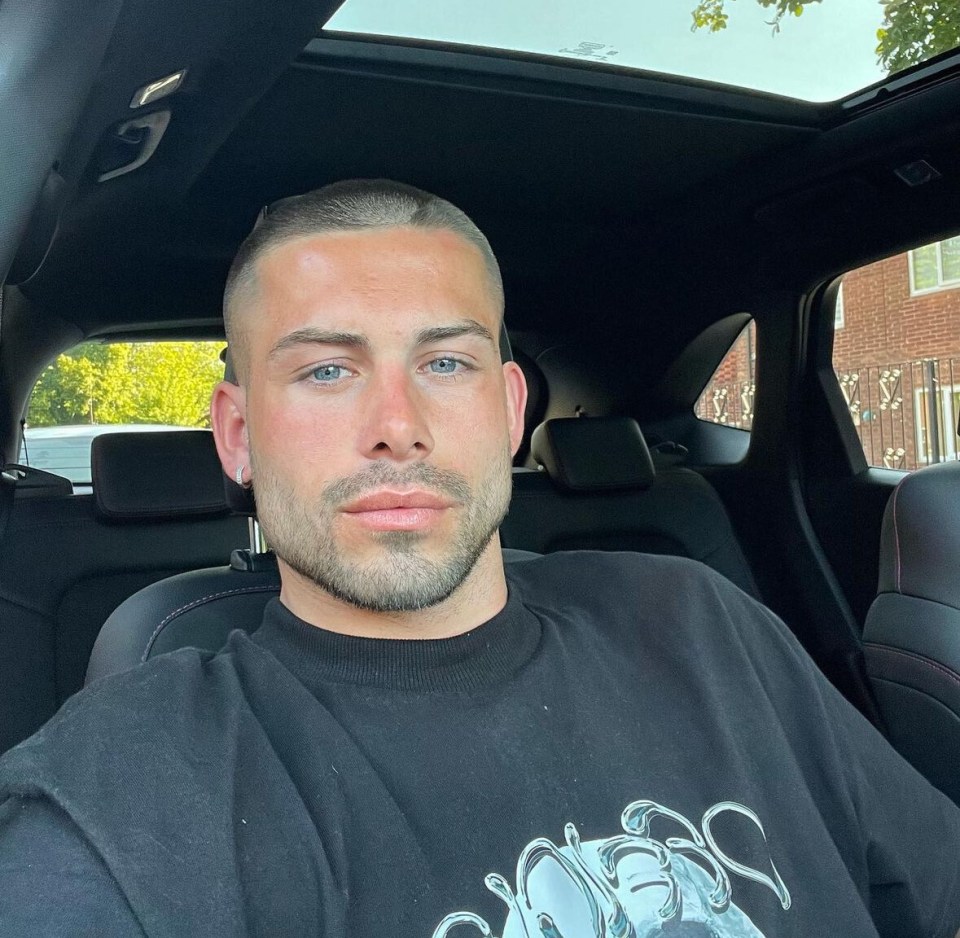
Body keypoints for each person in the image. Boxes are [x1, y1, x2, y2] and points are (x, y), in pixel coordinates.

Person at [0, 179, 958, 938]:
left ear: (508, 412)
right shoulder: (127, 795)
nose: (396, 429)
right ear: (239, 436)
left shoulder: (700, 621)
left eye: (445, 363)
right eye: (326, 370)